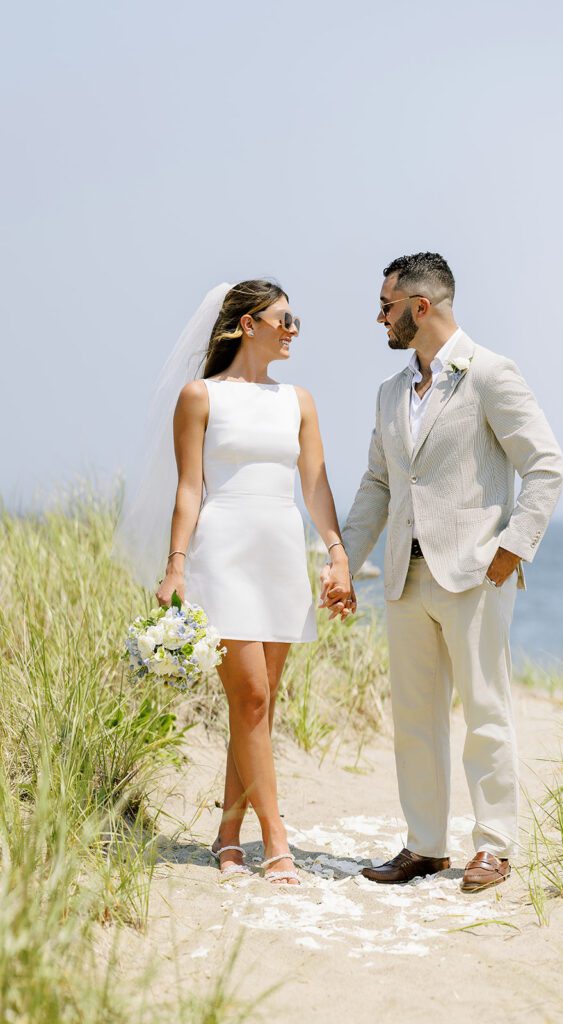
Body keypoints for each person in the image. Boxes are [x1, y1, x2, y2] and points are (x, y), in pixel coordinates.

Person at [323, 253, 563, 891]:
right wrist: (344, 559)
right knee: (415, 718)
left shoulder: (489, 374)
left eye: (386, 306)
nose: (379, 317)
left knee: (486, 711)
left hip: (476, 574)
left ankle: (493, 846)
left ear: (420, 307)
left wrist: (514, 547)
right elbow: (378, 483)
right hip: (405, 576)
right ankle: (425, 846)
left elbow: (546, 464)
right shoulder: (388, 393)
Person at [120, 280, 353, 885]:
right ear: (249, 324)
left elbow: (315, 486)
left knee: (259, 707)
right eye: (284, 318)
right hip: (221, 555)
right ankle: (276, 843)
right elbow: (189, 488)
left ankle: (227, 833)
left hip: (280, 554)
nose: (294, 328)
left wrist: (336, 554)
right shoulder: (199, 397)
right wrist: (175, 565)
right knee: (249, 699)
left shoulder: (298, 400)